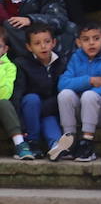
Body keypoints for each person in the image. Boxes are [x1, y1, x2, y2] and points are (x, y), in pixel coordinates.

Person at [56, 21, 101, 162]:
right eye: (86, 39)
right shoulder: (76, 57)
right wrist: (89, 81)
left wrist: (87, 92)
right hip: (84, 111)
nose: (91, 43)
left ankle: (87, 144)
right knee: (65, 94)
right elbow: (62, 84)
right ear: (78, 42)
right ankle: (69, 142)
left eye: (96, 38)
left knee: (89, 95)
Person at [15, 24, 68, 159]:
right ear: (29, 47)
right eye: (37, 43)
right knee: (32, 99)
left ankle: (55, 147)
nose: (43, 46)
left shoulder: (62, 62)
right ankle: (33, 143)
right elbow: (18, 94)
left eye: (47, 41)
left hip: (51, 110)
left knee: (48, 119)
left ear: (54, 43)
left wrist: (45, 109)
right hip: (30, 111)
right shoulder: (22, 64)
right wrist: (20, 123)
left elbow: (61, 92)